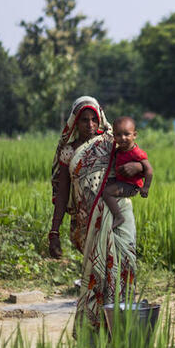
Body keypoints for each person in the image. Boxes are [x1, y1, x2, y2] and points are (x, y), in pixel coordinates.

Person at [48, 96, 144, 333]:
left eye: (94, 119)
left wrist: (140, 168)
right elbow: (62, 193)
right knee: (97, 274)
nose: (90, 124)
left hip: (118, 215)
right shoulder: (69, 153)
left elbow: (139, 158)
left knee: (123, 268)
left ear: (100, 119)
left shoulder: (112, 141)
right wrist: (54, 230)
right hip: (89, 223)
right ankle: (94, 332)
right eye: (84, 120)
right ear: (75, 123)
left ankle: (123, 329)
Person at [101, 116, 153, 230]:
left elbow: (149, 169)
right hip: (122, 181)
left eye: (127, 134)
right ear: (114, 136)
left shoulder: (136, 153)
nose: (122, 138)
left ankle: (118, 217)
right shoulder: (119, 150)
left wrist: (146, 187)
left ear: (134, 135)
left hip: (130, 185)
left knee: (106, 193)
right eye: (118, 135)